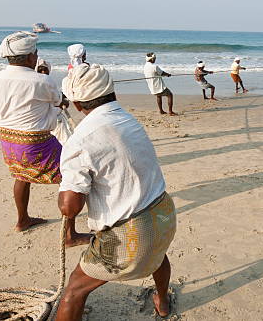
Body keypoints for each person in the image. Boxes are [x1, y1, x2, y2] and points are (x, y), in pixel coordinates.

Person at [57, 63, 177, 320]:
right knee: (158, 255)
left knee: (74, 291)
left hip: (132, 234)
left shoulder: (80, 140)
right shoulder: (126, 118)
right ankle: (162, 301)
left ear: (77, 104)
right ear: (112, 92)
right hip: (164, 214)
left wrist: (67, 183)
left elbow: (69, 207)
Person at [0, 31, 89, 246]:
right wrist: (62, 97)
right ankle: (70, 235)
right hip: (37, 144)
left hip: (9, 143)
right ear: (30, 57)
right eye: (35, 53)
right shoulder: (42, 81)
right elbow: (60, 103)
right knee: (72, 175)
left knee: (21, 176)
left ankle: (23, 220)